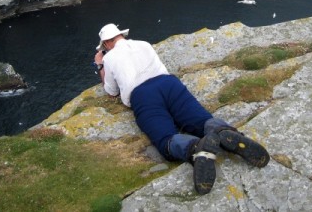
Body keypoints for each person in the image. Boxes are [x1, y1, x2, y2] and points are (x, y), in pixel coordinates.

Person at [94, 23, 270, 194]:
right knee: (200, 121)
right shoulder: (144, 44)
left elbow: (111, 91)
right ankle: (222, 130)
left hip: (143, 95)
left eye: (105, 47)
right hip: (169, 83)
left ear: (107, 43)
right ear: (121, 35)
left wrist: (100, 65)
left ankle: (196, 149)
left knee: (165, 139)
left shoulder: (109, 57)